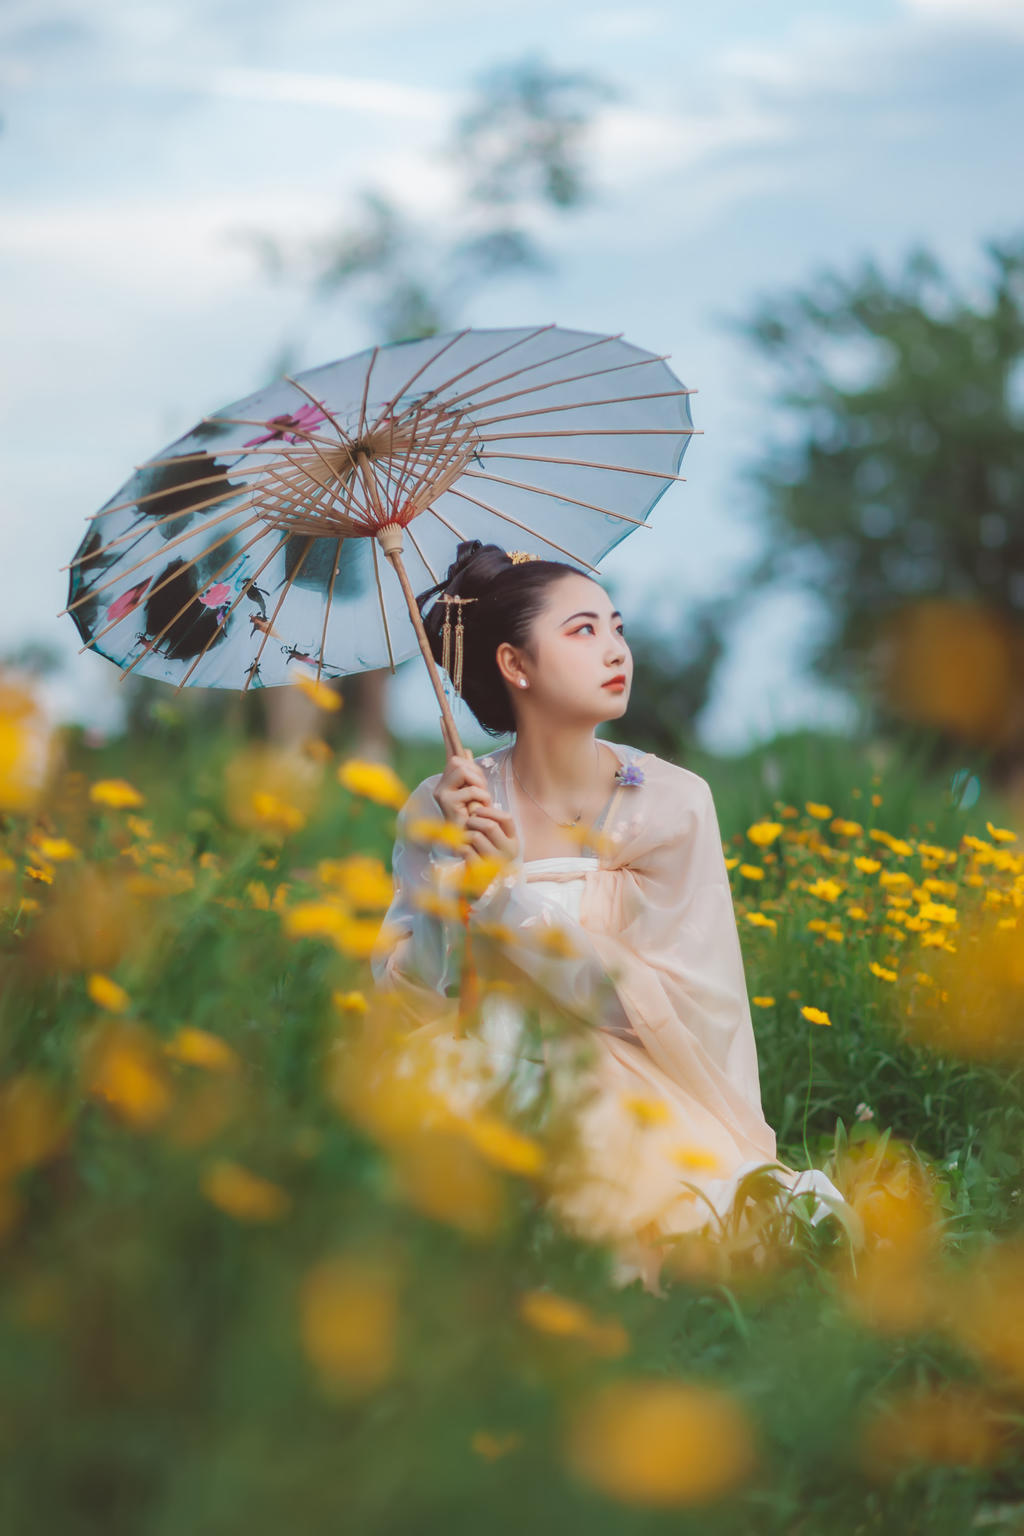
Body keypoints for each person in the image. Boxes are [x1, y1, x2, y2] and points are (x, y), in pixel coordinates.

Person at [370, 540, 851, 1295]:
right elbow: (411, 996)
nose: (615, 649)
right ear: (515, 665)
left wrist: (507, 897)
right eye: (583, 631)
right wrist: (448, 880)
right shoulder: (442, 805)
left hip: (624, 1072)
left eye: (616, 627)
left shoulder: (669, 802)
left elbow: (668, 1002)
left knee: (589, 1112)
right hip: (475, 1058)